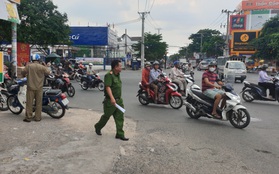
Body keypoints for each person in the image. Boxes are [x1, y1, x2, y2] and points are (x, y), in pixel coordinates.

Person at [94, 60, 129, 141]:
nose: (121, 67)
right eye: (120, 66)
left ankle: (120, 134)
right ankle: (98, 127)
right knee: (106, 116)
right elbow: (108, 87)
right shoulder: (109, 75)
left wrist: (117, 99)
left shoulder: (117, 74)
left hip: (119, 101)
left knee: (120, 117)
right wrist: (112, 98)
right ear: (115, 67)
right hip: (110, 101)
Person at [21, 54, 51, 122]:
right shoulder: (42, 67)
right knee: (38, 103)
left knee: (29, 103)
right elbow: (48, 72)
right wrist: (45, 66)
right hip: (39, 88)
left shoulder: (29, 66)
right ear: (39, 59)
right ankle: (37, 118)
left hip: (30, 87)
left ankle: (28, 117)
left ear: (32, 59)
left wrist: (25, 74)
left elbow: (22, 72)